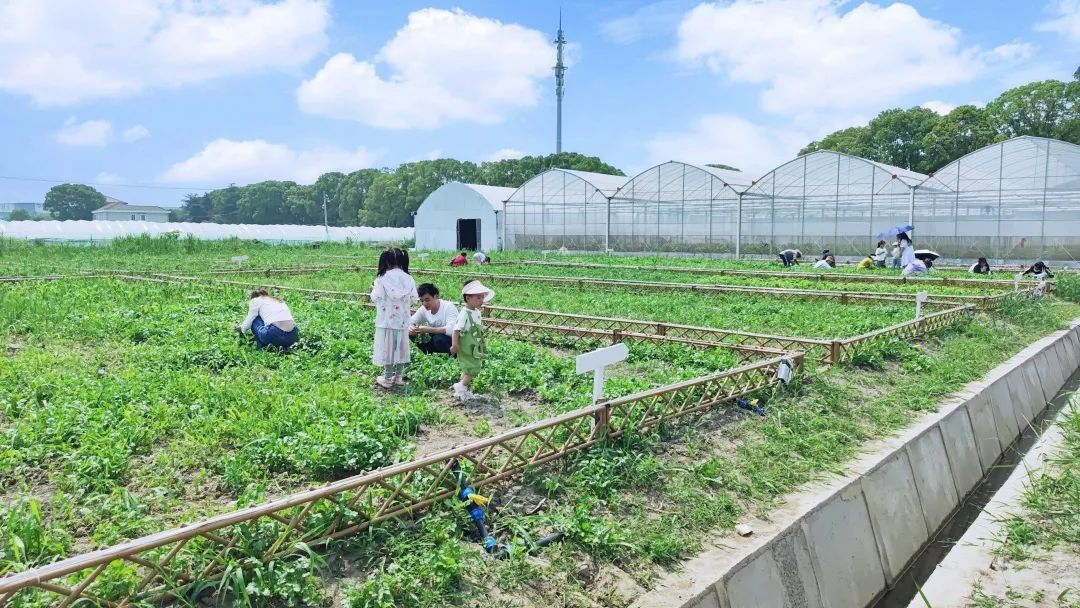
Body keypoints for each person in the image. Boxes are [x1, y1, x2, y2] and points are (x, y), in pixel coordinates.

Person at [372, 248, 418, 389]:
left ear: (386, 261)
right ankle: (398, 377)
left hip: (386, 321)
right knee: (400, 348)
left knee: (387, 349)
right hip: (403, 321)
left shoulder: (383, 278)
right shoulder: (408, 278)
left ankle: (387, 378)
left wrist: (373, 290)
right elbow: (413, 299)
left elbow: (376, 297)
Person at [451, 280, 494, 401]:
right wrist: (454, 345)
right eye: (478, 297)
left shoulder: (476, 312)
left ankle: (461, 391)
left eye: (482, 297)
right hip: (466, 345)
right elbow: (456, 330)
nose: (481, 300)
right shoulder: (464, 313)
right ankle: (461, 387)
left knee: (467, 368)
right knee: (473, 368)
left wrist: (482, 341)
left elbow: (478, 328)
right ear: (468, 298)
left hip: (474, 344)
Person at [409, 283, 459, 355]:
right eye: (422, 301)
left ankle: (452, 357)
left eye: (427, 300)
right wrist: (410, 328)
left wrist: (428, 329)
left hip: (452, 341)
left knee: (438, 339)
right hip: (437, 338)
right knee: (412, 332)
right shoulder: (424, 309)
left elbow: (452, 330)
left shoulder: (449, 307)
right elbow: (410, 321)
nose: (424, 303)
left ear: (436, 297)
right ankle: (429, 353)